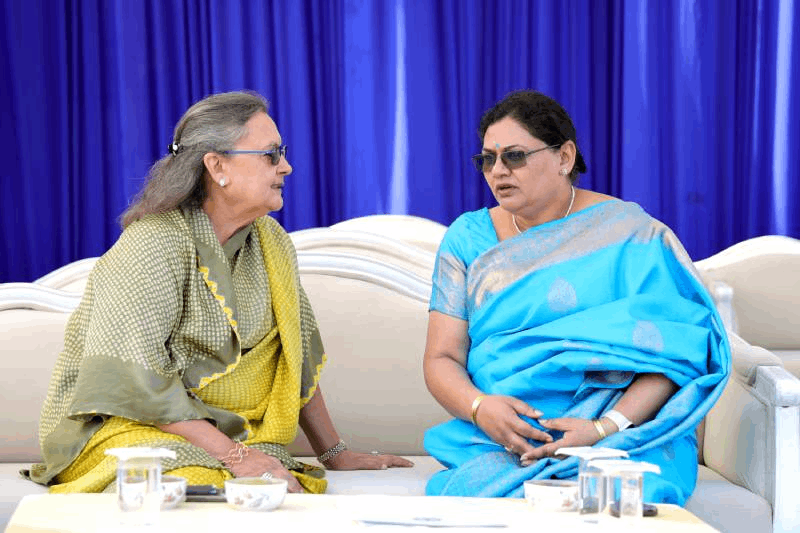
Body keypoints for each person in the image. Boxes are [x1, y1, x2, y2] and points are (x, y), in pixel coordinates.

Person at [27, 91, 412, 495]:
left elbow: (293, 358)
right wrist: (237, 457)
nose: (286, 166)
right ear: (217, 166)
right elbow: (136, 383)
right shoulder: (152, 243)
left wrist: (333, 452)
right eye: (271, 154)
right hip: (124, 428)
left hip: (227, 435)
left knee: (264, 486)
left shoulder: (272, 242)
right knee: (200, 484)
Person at [422, 90, 730, 504]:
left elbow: (676, 353)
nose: (498, 171)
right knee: (479, 496)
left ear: (564, 157)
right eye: (487, 160)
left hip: (620, 432)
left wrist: (603, 428)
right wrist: (480, 408)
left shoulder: (630, 235)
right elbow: (441, 358)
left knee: (624, 497)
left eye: (514, 156)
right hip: (502, 438)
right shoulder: (466, 239)